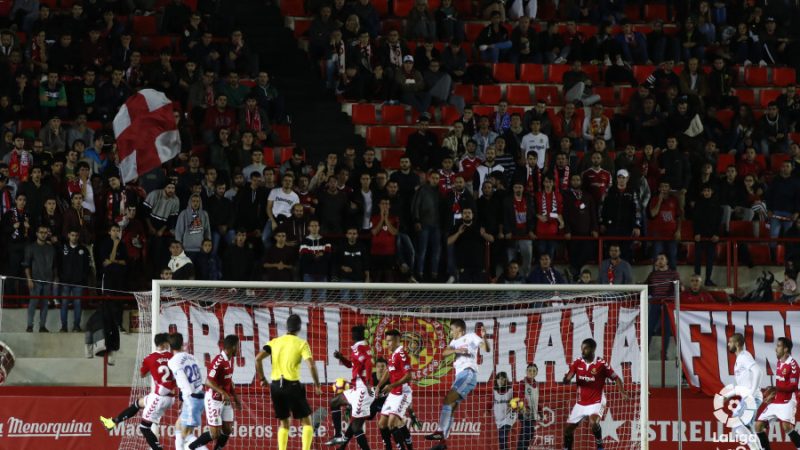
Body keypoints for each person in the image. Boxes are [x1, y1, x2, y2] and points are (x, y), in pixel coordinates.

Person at [255, 314, 322, 450]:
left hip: (276, 387)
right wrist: (317, 385)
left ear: (286, 327)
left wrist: (262, 379)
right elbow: (311, 365)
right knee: (307, 423)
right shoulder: (301, 343)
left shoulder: (274, 342)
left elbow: (257, 359)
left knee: (284, 423)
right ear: (299, 328)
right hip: (292, 386)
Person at [100, 333, 176, 450]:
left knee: (144, 427)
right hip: (169, 396)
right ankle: (113, 422)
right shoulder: (172, 356)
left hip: (159, 397)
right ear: (164, 344)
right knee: (139, 403)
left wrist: (153, 369)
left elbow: (142, 374)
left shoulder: (149, 358)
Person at [426, 319, 489, 447]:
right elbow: (444, 353)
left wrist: (484, 338)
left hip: (468, 372)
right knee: (452, 407)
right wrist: (456, 350)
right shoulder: (454, 342)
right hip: (461, 376)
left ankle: (440, 431)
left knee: (448, 399)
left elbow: (485, 349)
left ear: (459, 329)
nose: (450, 332)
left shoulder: (471, 336)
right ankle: (443, 440)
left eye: (451, 329)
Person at [562, 338, 629, 450]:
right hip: (581, 403)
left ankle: (599, 444)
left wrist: (622, 392)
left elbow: (616, 378)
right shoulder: (577, 362)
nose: (583, 351)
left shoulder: (601, 364)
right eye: (582, 349)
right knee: (568, 430)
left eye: (586, 349)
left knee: (593, 422)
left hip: (596, 401)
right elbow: (569, 375)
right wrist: (567, 379)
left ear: (593, 349)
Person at [187, 335, 242, 450]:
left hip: (224, 400)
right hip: (214, 400)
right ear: (232, 347)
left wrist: (236, 398)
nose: (239, 349)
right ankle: (190, 448)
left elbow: (228, 381)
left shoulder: (230, 360)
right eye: (238, 346)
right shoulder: (219, 360)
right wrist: (223, 393)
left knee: (227, 429)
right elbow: (208, 381)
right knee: (214, 434)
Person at [326, 325, 374, 449]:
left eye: (353, 333)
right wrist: (341, 357)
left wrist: (368, 382)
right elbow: (351, 365)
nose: (351, 336)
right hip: (356, 388)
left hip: (363, 388)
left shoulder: (361, 347)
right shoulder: (357, 349)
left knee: (356, 428)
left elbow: (369, 363)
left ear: (359, 335)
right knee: (334, 402)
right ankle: (337, 435)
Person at [755, 338, 799, 450]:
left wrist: (776, 388)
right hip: (777, 400)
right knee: (758, 426)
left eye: (778, 346)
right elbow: (781, 384)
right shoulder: (779, 362)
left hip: (788, 400)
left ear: (786, 349)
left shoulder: (793, 365)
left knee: (786, 427)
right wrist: (774, 394)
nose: (776, 349)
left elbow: (793, 386)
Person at [376, 329, 414, 450]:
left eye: (390, 341)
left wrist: (391, 385)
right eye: (386, 341)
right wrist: (378, 386)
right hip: (393, 392)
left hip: (403, 392)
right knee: (382, 424)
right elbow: (388, 371)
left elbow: (409, 376)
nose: (387, 344)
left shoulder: (401, 354)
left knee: (391, 423)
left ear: (398, 340)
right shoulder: (392, 354)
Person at [166, 333, 205, 450]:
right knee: (178, 426)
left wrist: (186, 398)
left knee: (186, 434)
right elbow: (201, 378)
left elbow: (183, 381)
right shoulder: (192, 357)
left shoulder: (173, 361)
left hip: (191, 398)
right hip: (199, 396)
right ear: (183, 343)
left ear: (170, 347)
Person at [724, 333, 763, 447]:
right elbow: (742, 387)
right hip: (750, 397)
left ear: (737, 344)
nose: (728, 344)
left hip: (752, 397)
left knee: (736, 423)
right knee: (748, 429)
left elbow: (758, 372)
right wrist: (727, 396)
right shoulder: (739, 359)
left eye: (730, 342)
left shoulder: (744, 356)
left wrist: (751, 393)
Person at [24, 225, 57, 332]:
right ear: (37, 234)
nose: (43, 234)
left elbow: (54, 265)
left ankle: (42, 326)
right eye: (41, 232)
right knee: (33, 304)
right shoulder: (31, 247)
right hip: (35, 280)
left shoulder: (51, 248)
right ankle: (30, 325)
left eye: (45, 232)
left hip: (47, 280)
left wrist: (54, 279)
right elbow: (26, 265)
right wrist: (29, 279)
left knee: (45, 305)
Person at [57, 229, 90, 332]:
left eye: (76, 235)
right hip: (65, 282)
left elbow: (87, 267)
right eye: (72, 235)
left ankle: (76, 326)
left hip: (78, 283)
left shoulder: (83, 250)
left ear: (78, 236)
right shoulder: (62, 248)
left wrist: (83, 278)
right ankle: (64, 327)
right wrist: (61, 278)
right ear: (68, 235)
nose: (74, 237)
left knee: (77, 304)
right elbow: (59, 265)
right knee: (64, 304)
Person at [693, 184, 722, 286]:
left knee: (710, 260)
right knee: (698, 260)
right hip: (699, 237)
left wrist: (717, 234)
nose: (706, 192)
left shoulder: (717, 205)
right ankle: (697, 281)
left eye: (708, 190)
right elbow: (695, 220)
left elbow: (719, 221)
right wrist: (696, 233)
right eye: (705, 190)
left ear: (712, 192)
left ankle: (708, 279)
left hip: (712, 237)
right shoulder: (698, 204)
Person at [516, 364, 540, 450]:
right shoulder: (523, 382)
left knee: (527, 433)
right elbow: (521, 395)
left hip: (532, 413)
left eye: (534, 371)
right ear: (526, 372)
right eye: (530, 370)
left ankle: (521, 448)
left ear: (536, 372)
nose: (532, 372)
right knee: (528, 432)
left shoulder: (536, 385)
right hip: (524, 411)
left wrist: (540, 412)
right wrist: (525, 407)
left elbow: (537, 400)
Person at [492, 372, 515, 450]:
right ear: (496, 380)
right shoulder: (494, 391)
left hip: (509, 415)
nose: (500, 380)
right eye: (499, 378)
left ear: (506, 380)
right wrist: (487, 410)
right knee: (501, 439)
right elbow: (489, 402)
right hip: (499, 418)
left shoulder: (510, 390)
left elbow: (516, 400)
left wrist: (512, 404)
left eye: (502, 378)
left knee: (503, 435)